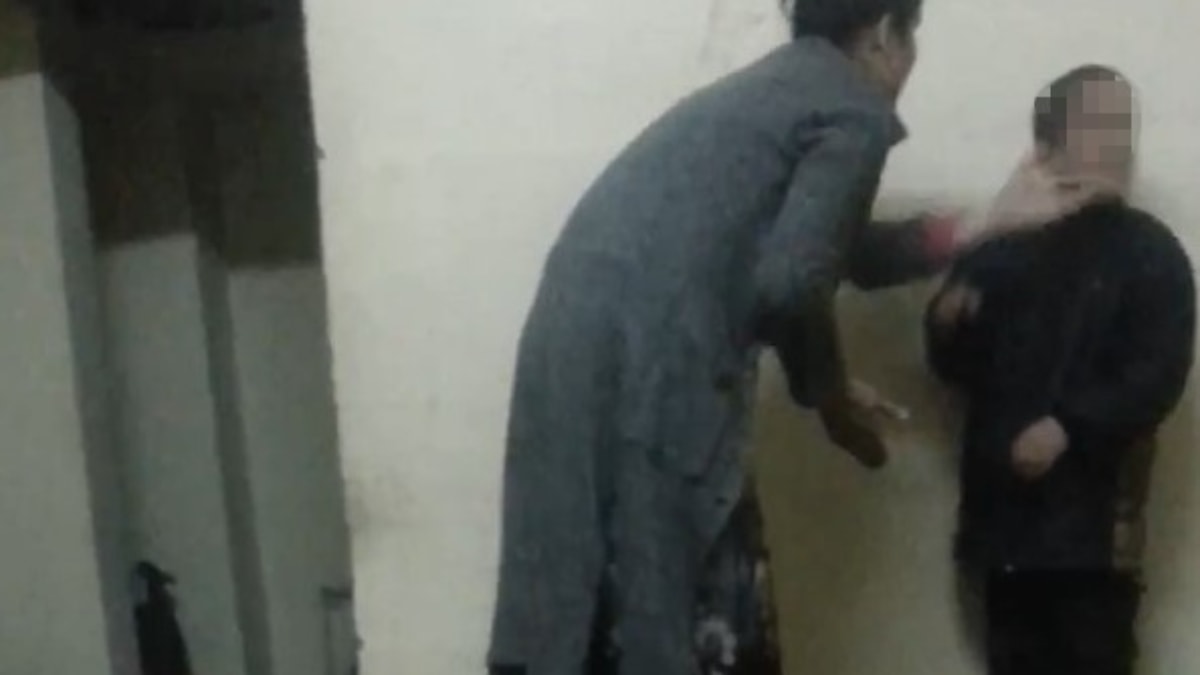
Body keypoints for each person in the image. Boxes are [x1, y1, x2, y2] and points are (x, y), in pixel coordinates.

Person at [488, 2, 1112, 674]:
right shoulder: (850, 108)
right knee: (674, 604)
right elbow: (791, 282)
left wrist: (983, 222)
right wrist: (828, 393)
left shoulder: (778, 88)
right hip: (654, 367)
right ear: (884, 34)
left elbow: (826, 248)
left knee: (581, 600)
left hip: (577, 350)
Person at [926, 65, 1196, 675]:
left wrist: (1069, 426)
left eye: (1124, 124)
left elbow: (1157, 371)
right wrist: (947, 314)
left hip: (1094, 529)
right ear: (1049, 142)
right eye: (1099, 123)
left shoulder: (1151, 251)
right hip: (1003, 525)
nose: (1117, 141)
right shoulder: (1003, 245)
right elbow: (952, 360)